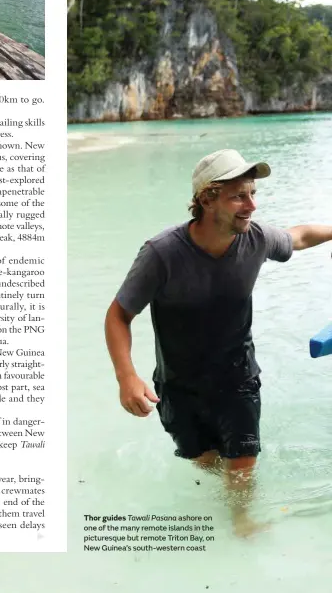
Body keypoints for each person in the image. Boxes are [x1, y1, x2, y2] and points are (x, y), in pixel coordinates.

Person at [105, 149, 332, 537]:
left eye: (253, 193)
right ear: (207, 199)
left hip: (238, 379)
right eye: (239, 196)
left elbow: (299, 237)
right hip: (178, 387)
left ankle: (243, 530)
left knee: (240, 475)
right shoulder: (162, 254)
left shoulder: (256, 239)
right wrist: (127, 377)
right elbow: (118, 316)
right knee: (208, 466)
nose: (251, 205)